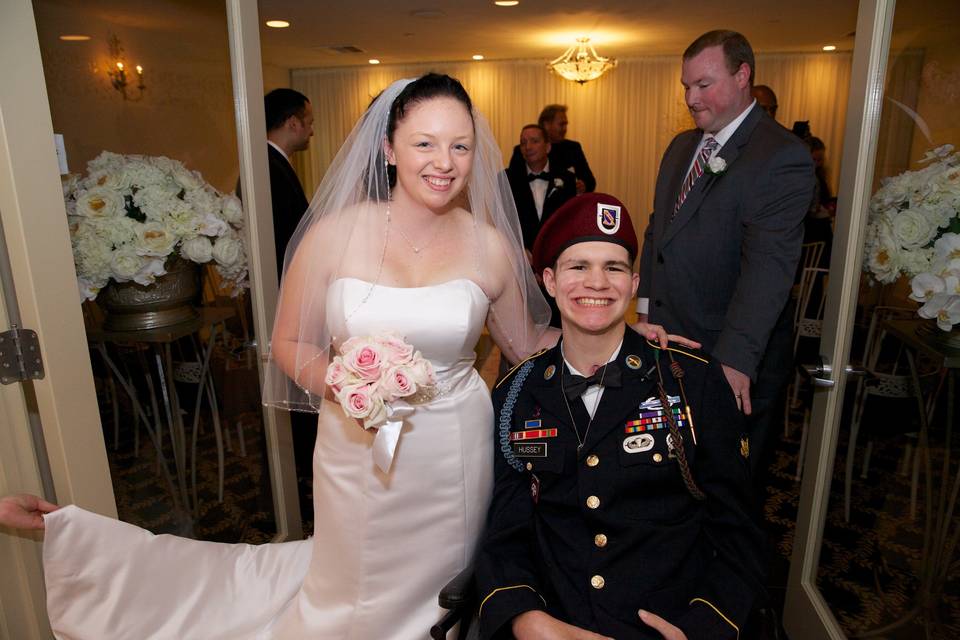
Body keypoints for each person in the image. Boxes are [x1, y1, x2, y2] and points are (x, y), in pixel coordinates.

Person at [25, 73, 686, 640]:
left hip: (453, 450)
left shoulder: (487, 246)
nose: (445, 161)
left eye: (460, 144)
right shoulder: (333, 237)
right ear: (389, 147)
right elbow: (288, 344)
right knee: (352, 583)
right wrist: (341, 383)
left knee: (443, 587)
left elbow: (525, 344)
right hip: (354, 445)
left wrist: (624, 334)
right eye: (425, 142)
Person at [477, 193, 764, 640]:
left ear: (633, 284)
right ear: (549, 281)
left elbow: (737, 530)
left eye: (613, 268)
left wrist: (701, 628)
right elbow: (506, 531)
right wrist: (527, 619)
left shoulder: (692, 380)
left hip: (666, 623)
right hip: (555, 621)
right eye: (578, 267)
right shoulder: (516, 393)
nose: (597, 283)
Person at [637, 30, 813, 477]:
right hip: (669, 348)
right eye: (686, 87)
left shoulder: (781, 155)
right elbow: (659, 235)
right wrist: (644, 313)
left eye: (703, 85)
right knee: (670, 478)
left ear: (742, 76)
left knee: (728, 491)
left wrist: (735, 360)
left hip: (727, 354)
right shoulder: (681, 147)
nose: (691, 98)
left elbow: (768, 271)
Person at [507, 124, 577, 252]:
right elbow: (502, 221)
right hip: (518, 259)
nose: (528, 147)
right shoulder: (507, 179)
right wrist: (518, 251)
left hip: (556, 254)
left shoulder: (567, 178)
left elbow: (571, 222)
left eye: (534, 141)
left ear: (548, 147)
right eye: (523, 143)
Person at [509, 104, 596, 194]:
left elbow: (590, 181)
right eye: (561, 124)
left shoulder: (573, 148)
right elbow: (511, 184)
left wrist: (584, 185)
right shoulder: (522, 150)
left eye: (566, 124)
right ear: (546, 125)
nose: (565, 129)